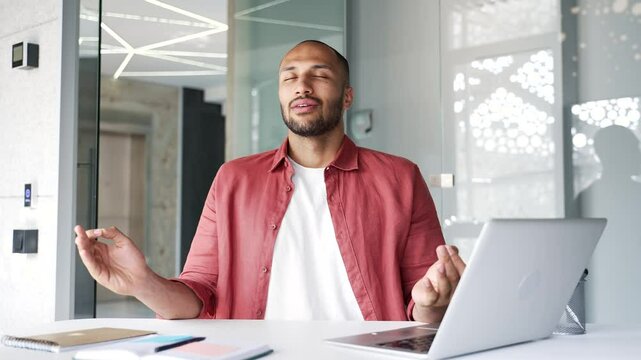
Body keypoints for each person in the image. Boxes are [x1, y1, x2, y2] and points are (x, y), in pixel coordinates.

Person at [74, 40, 466, 323]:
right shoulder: (234, 179)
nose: (302, 85)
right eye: (289, 77)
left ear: (347, 97)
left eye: (320, 75)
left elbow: (424, 303)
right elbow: (197, 296)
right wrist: (142, 283)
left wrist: (433, 300)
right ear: (280, 95)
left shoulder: (399, 177)